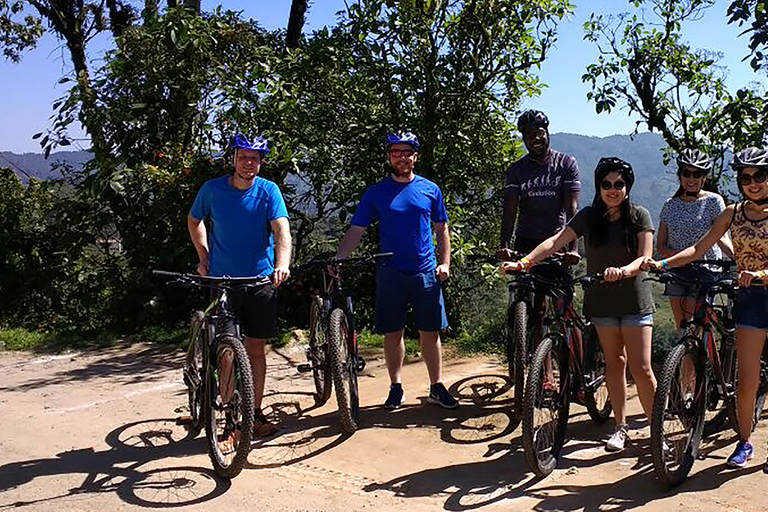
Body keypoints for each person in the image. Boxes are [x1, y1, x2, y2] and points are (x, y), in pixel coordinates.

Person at [501, 157, 657, 453]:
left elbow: (645, 257)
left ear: (627, 187)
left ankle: (655, 426)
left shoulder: (639, 215)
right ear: (599, 187)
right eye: (607, 184)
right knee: (615, 363)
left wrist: (624, 270)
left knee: (642, 367)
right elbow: (555, 241)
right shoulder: (588, 216)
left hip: (634, 300)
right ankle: (620, 428)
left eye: (619, 184)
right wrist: (524, 262)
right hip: (601, 301)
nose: (613, 190)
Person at [643, 147, 768, 468]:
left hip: (758, 285)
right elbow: (699, 249)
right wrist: (662, 263)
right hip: (751, 300)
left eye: (760, 176)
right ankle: (744, 443)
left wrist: (760, 273)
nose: (752, 183)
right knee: (746, 380)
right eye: (746, 178)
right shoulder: (732, 213)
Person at [336, 130, 458, 410]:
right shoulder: (377, 192)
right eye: (396, 153)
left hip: (425, 270)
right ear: (389, 158)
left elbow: (442, 229)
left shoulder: (430, 189)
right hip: (390, 271)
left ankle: (436, 387)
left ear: (415, 156)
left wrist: (445, 262)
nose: (401, 157)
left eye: (407, 152)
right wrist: (340, 257)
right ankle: (396, 387)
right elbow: (358, 229)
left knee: (431, 332)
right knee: (393, 332)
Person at [188, 134, 292, 437]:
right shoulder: (212, 190)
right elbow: (195, 221)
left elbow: (281, 230)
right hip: (222, 281)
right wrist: (203, 256)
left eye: (256, 158)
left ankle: (254, 412)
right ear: (233, 158)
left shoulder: (268, 190)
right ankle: (231, 418)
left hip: (260, 279)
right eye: (244, 157)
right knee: (228, 352)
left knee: (256, 349)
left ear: (261, 162)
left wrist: (281, 264)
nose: (250, 163)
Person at [657, 149, 733, 332]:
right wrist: (677, 257)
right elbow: (660, 244)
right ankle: (686, 359)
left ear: (704, 177)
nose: (691, 179)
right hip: (677, 272)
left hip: (704, 270)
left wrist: (736, 257)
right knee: (681, 327)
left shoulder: (714, 201)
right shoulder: (670, 205)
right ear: (680, 175)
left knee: (692, 326)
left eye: (697, 174)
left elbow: (721, 236)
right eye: (686, 173)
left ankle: (702, 356)